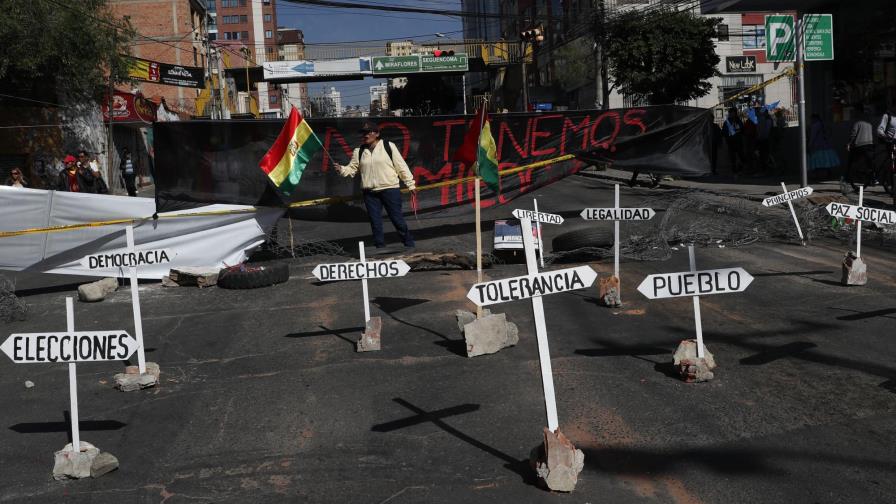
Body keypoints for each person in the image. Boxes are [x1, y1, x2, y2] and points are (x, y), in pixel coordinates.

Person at [337, 120, 416, 249]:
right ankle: (380, 248)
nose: (365, 135)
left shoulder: (388, 146)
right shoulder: (359, 151)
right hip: (370, 193)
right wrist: (341, 169)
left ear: (377, 134)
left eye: (369, 132)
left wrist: (410, 184)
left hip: (390, 190)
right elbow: (351, 169)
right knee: (375, 222)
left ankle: (409, 244)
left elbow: (401, 166)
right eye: (364, 133)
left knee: (397, 219)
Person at [845, 114, 874, 193]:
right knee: (870, 163)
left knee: (851, 161)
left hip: (860, 145)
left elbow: (853, 134)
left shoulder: (857, 122)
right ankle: (873, 178)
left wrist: (849, 143)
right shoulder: (869, 122)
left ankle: (847, 177)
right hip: (870, 144)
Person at [808, 113, 840, 180]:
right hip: (826, 145)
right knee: (825, 161)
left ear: (814, 118)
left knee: (817, 162)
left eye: (811, 119)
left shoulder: (815, 126)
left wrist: (810, 144)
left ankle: (819, 175)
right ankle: (826, 174)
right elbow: (829, 133)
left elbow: (813, 136)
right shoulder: (823, 124)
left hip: (818, 146)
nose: (811, 120)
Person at [722, 107, 746, 175]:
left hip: (738, 141)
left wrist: (738, 131)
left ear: (735, 113)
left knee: (741, 156)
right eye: (731, 113)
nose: (732, 114)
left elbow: (742, 130)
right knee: (732, 157)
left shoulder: (739, 121)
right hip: (731, 142)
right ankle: (734, 170)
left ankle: (740, 168)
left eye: (733, 113)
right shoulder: (727, 122)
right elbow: (724, 132)